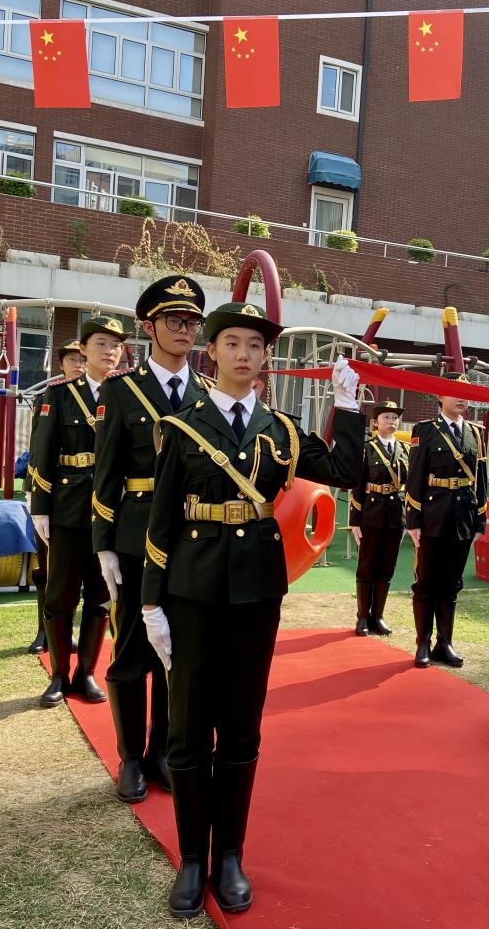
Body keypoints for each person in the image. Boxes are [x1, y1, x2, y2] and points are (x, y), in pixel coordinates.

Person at [139, 302, 363, 919]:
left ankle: (230, 856)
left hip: (256, 594)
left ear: (266, 357)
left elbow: (345, 471)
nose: (243, 353)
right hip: (191, 592)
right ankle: (192, 858)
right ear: (211, 351)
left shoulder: (282, 431)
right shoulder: (180, 427)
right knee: (189, 729)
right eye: (232, 342)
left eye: (255, 345)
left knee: (241, 729)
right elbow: (161, 521)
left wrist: (347, 406)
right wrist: (151, 602)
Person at [92, 276, 209, 803]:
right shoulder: (121, 391)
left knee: (175, 652)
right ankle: (130, 757)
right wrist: (104, 544)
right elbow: (105, 475)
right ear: (149, 327)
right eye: (173, 321)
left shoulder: (206, 393)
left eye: (192, 322)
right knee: (132, 652)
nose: (185, 330)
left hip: (190, 539)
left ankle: (164, 750)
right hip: (137, 537)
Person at [28, 316, 126, 708]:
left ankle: (86, 673)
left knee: (101, 597)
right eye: (101, 343)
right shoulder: (59, 395)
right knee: (60, 597)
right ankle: (59, 674)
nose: (109, 351)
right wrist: (40, 507)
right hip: (68, 509)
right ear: (83, 350)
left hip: (112, 511)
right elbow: (42, 453)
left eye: (116, 345)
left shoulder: (128, 394)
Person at [404, 375, 488, 669]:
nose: (461, 398)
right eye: (454, 392)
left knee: (452, 583)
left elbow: (480, 480)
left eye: (465, 393)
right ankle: (423, 643)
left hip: (463, 517)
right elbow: (414, 476)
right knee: (427, 582)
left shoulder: (475, 433)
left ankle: (445, 643)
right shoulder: (425, 430)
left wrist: (480, 519)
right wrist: (413, 520)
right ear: (439, 397)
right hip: (433, 516)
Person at [26, 339, 86, 655]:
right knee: (47, 568)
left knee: (77, 573)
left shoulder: (104, 395)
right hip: (54, 493)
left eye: (82, 359)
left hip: (87, 495)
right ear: (61, 364)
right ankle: (43, 630)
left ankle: (67, 632)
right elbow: (38, 448)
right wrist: (34, 491)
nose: (79, 365)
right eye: (72, 359)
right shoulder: (51, 395)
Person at [349, 399, 408, 636]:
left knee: (386, 567)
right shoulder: (366, 449)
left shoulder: (405, 450)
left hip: (395, 515)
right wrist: (354, 520)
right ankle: (363, 617)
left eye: (394, 418)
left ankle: (378, 616)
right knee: (367, 566)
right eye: (386, 417)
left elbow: (410, 485)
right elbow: (357, 486)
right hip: (371, 515)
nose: (391, 421)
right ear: (375, 423)